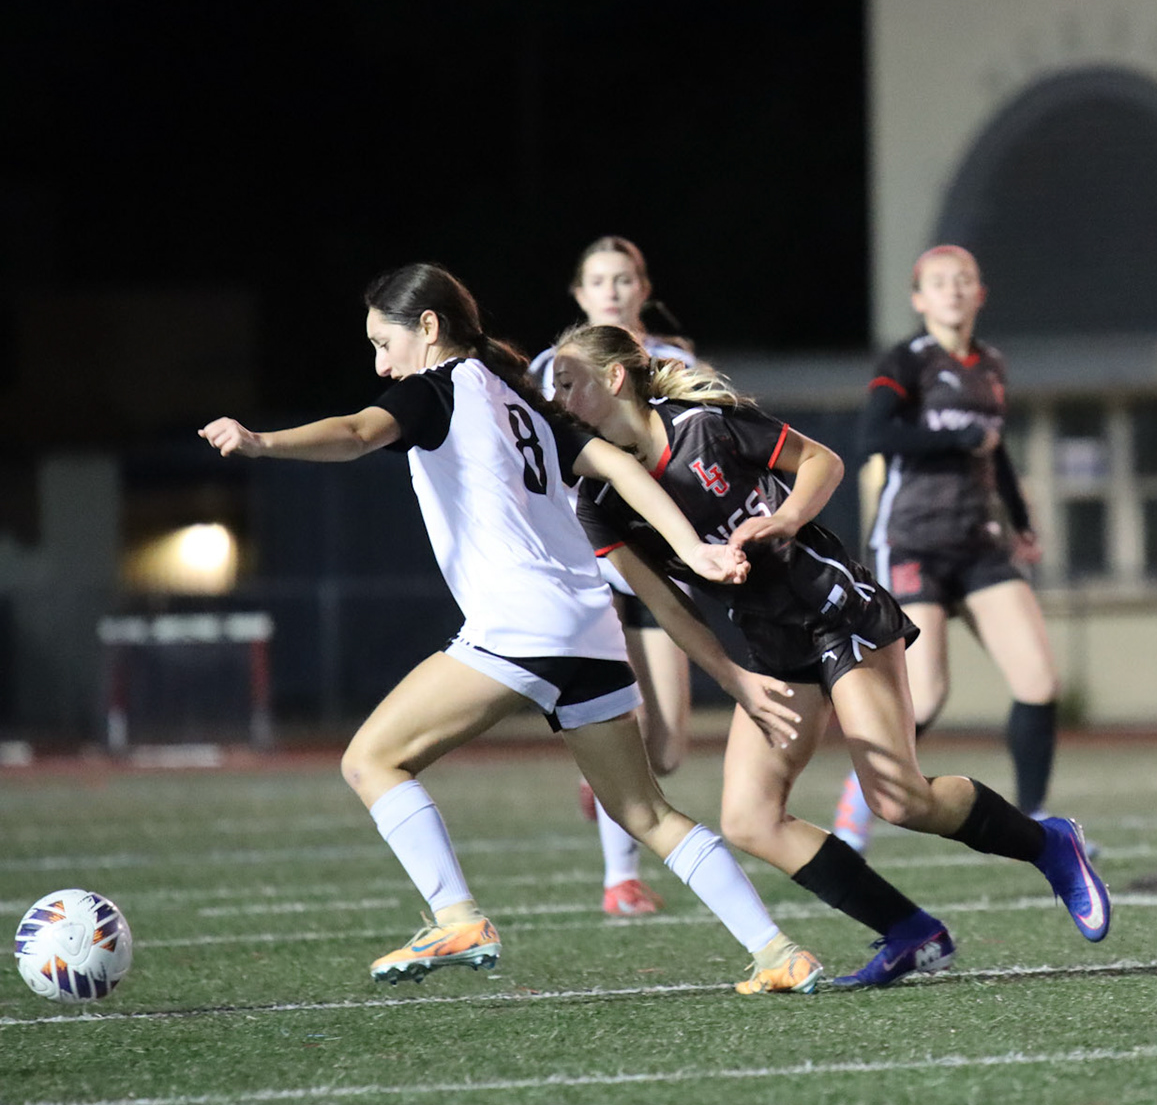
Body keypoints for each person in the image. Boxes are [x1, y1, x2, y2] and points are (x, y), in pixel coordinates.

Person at [197, 263, 822, 995]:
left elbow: (356, 432)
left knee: (371, 760)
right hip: (590, 626)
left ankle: (456, 916)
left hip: (523, 622)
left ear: (429, 327)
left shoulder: (439, 386)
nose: (381, 365)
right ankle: (778, 951)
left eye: (383, 344)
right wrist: (692, 549)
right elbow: (625, 470)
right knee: (646, 813)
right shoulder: (521, 398)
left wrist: (262, 443)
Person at [549, 323, 1109, 988]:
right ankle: (911, 931)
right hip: (769, 643)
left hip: (833, 610)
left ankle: (1051, 845)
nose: (555, 401)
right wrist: (733, 680)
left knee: (899, 800)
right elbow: (668, 608)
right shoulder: (598, 501)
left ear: (614, 379)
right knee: (750, 818)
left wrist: (785, 520)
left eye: (565, 384)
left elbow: (823, 462)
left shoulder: (704, 426)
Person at [833, 245, 1062, 854]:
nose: (953, 289)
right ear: (919, 298)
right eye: (939, 282)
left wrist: (1020, 519)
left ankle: (1038, 820)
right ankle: (860, 793)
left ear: (980, 293)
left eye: (964, 279)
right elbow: (874, 435)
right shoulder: (907, 360)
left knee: (1038, 679)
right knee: (928, 692)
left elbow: (995, 447)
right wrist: (954, 436)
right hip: (913, 539)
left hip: (979, 541)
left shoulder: (991, 363)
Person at [528, 236, 699, 918]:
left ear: (643, 288)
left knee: (670, 746)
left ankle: (599, 784)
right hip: (588, 554)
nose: (613, 290)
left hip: (657, 554)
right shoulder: (551, 368)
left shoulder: (676, 361)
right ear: (580, 293)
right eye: (599, 280)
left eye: (624, 278)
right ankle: (619, 878)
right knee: (623, 717)